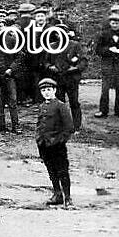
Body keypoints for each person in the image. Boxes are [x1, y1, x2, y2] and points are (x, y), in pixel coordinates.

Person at [36, 78, 75, 206]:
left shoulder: (61, 106)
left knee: (62, 170)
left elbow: (69, 128)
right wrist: (39, 139)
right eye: (43, 90)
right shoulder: (42, 106)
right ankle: (57, 194)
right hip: (44, 145)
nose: (46, 92)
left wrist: (59, 141)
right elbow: (40, 125)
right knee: (51, 170)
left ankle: (67, 197)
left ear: (54, 90)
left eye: (49, 90)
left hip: (57, 146)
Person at [94, 11, 119, 118]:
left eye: (116, 23)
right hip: (107, 65)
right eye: (112, 23)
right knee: (105, 88)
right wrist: (109, 50)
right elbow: (98, 50)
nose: (114, 25)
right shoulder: (104, 34)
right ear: (110, 23)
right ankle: (103, 110)